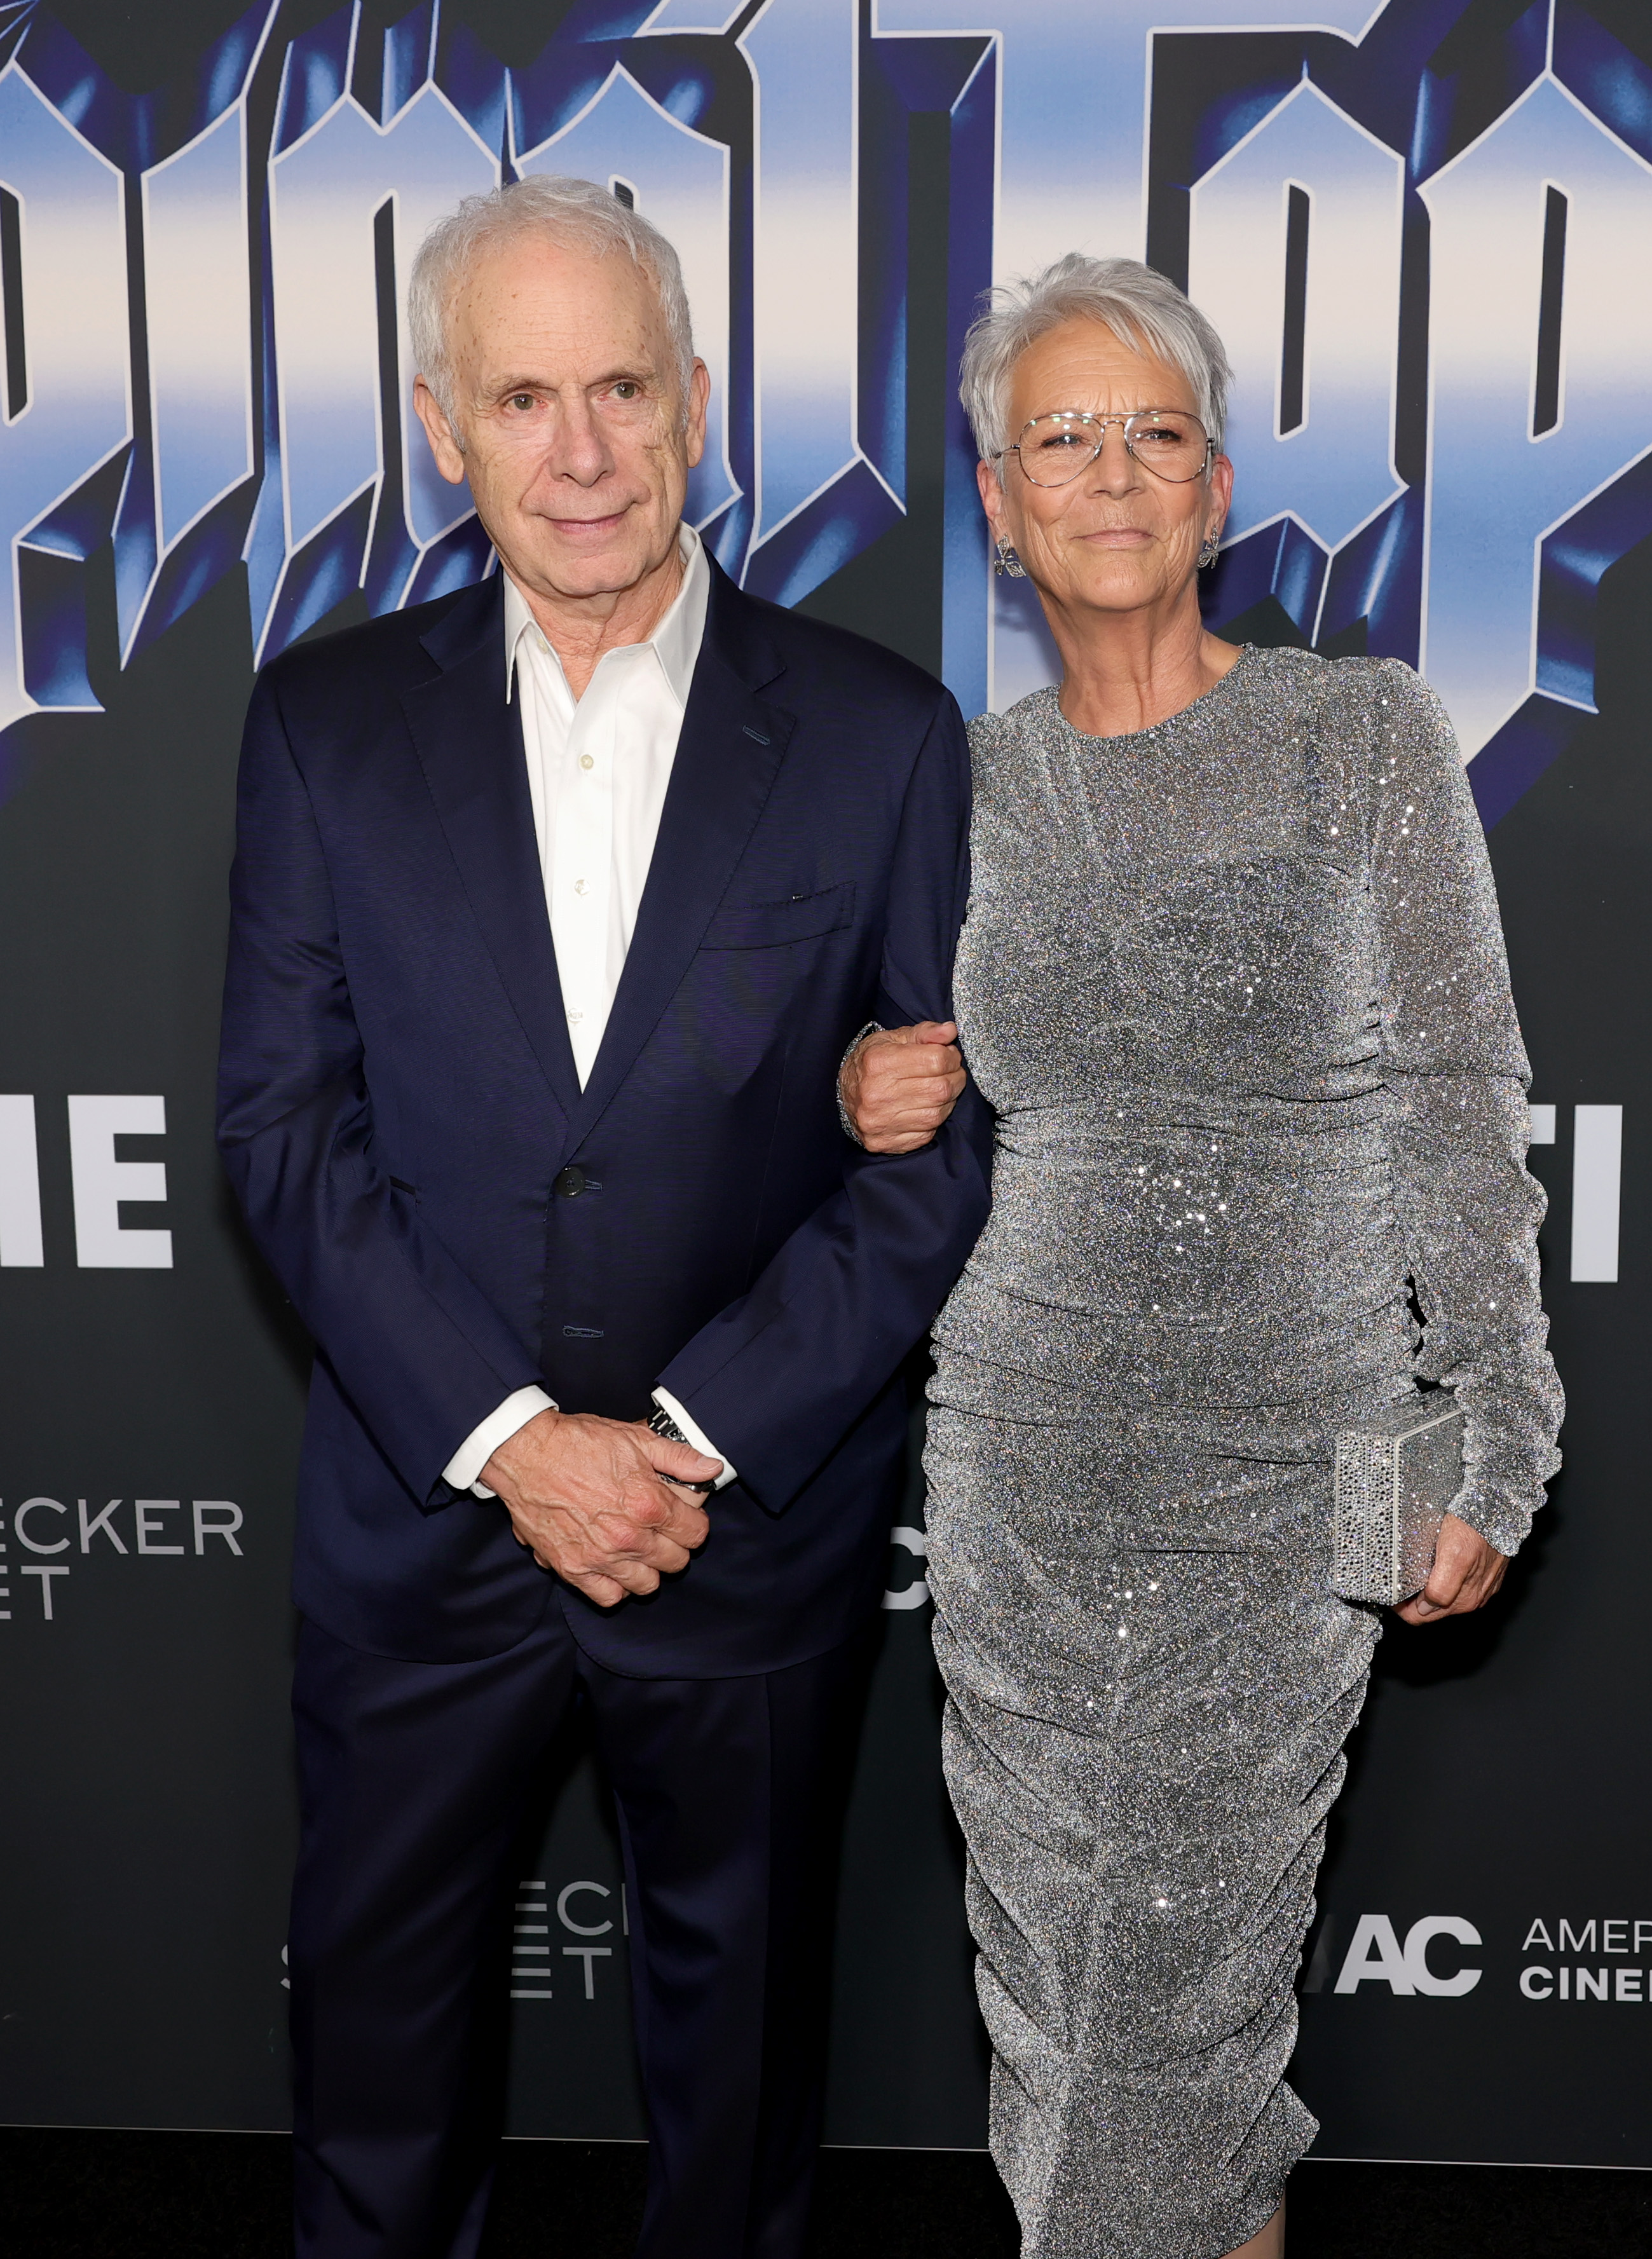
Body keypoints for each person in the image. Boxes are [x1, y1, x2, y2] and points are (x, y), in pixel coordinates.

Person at [216, 176, 990, 2259]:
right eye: (525, 396)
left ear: (700, 402)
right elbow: (285, 1131)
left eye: (625, 387)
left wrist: (695, 1436)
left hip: (742, 1525)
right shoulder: (324, 728)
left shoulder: (879, 734)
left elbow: (936, 1154)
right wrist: (513, 1442)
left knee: (736, 2107)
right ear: (439, 426)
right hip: (426, 1520)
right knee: (376, 2083)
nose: (581, 450)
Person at [840, 253, 1563, 2259]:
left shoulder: (1364, 736)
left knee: (1180, 1982)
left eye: (1156, 431)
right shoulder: (959, 792)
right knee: (1063, 2002)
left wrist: (1491, 1432)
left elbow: (1456, 1096)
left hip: (1303, 1457)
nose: (1112, 471)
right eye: (1060, 435)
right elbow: (848, 1066)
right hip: (1019, 1465)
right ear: (996, 498)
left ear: (1219, 487)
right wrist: (857, 1083)